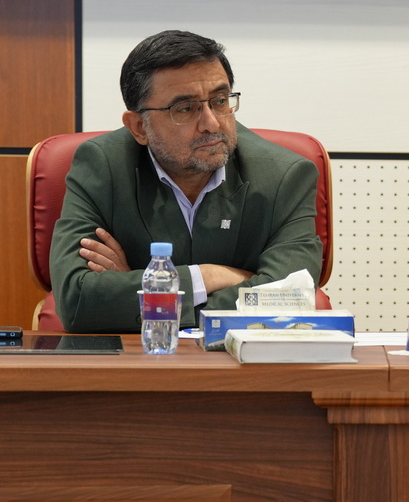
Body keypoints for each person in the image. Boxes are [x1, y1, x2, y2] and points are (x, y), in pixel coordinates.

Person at [50, 30, 323, 332]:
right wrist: (208, 276)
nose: (212, 123)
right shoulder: (102, 166)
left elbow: (289, 297)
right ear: (139, 127)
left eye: (220, 100)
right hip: (139, 355)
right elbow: (76, 301)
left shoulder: (285, 177)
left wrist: (143, 289)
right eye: (185, 109)